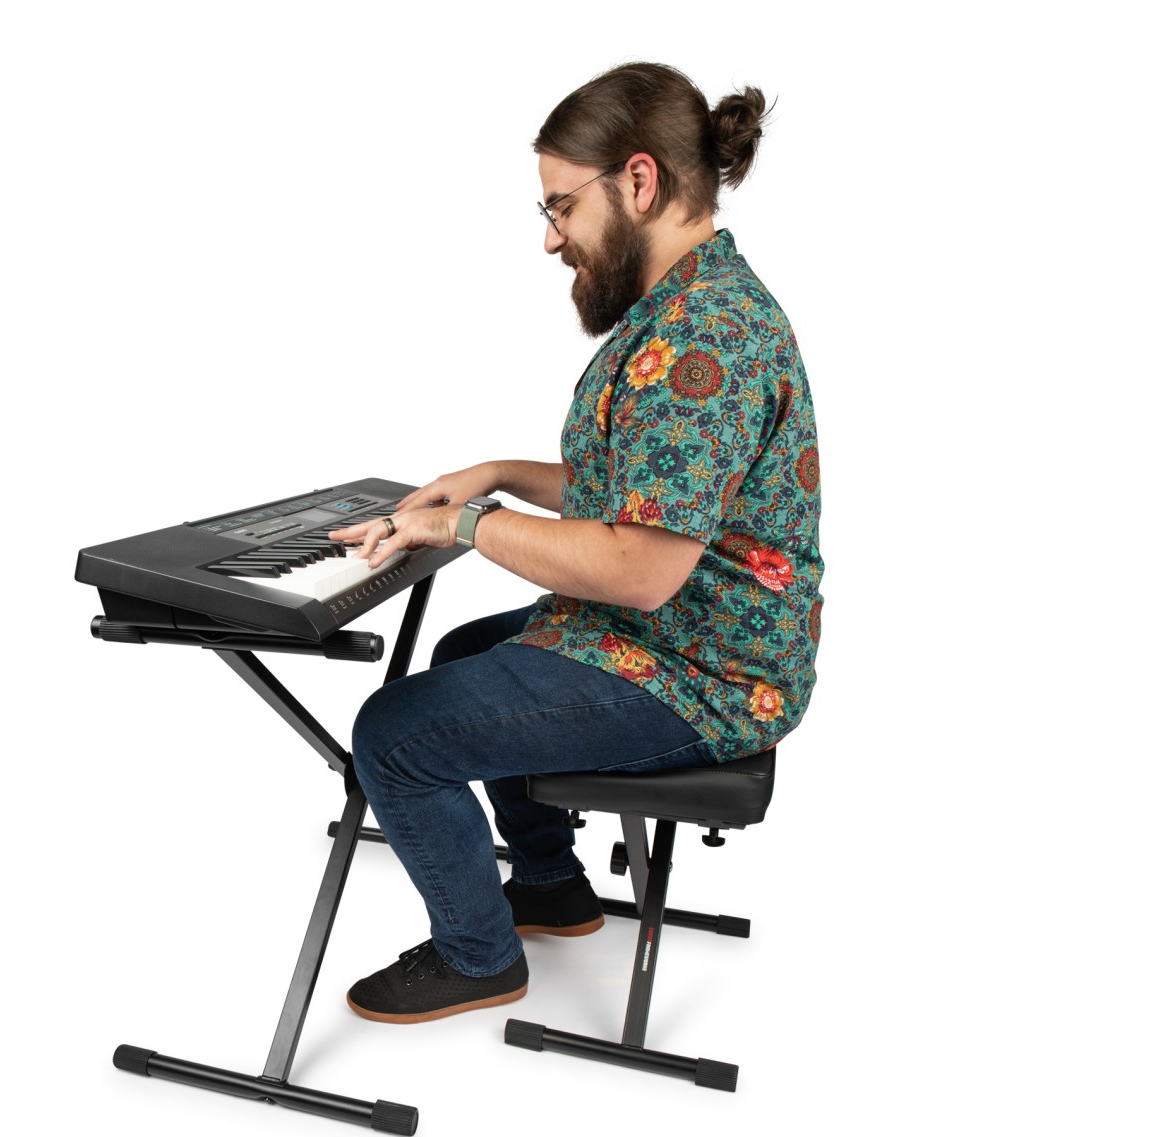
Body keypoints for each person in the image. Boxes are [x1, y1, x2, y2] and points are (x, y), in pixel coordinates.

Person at [328, 62, 823, 1023]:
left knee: (396, 733)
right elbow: (648, 494)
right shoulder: (691, 303)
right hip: (694, 637)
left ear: (638, 181)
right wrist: (497, 475)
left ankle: (479, 956)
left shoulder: (707, 337)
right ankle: (551, 887)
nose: (551, 238)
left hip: (704, 670)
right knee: (465, 653)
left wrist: (465, 525)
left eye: (561, 207)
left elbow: (639, 569)